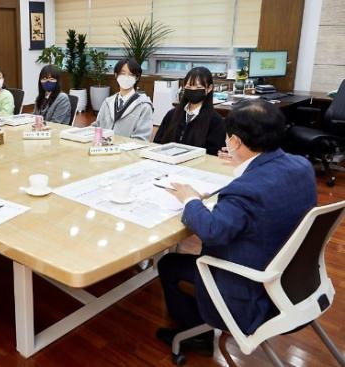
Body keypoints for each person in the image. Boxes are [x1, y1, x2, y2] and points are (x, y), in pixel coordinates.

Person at [156, 100, 317, 356]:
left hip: (251, 290)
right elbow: (264, 193)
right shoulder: (302, 166)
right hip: (296, 279)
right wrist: (243, 166)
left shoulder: (247, 189)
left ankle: (195, 335)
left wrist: (190, 199)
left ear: (235, 141)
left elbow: (211, 231)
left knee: (168, 264)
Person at [154, 67, 225, 155]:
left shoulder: (216, 121)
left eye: (198, 87)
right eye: (189, 86)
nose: (193, 90)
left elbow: (214, 154)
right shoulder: (172, 114)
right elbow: (157, 143)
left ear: (209, 88)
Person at [92, 58, 153, 141]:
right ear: (116, 75)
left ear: (137, 78)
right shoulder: (108, 102)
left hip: (126, 148)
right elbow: (97, 126)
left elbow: (141, 138)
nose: (126, 78)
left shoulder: (144, 106)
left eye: (131, 74)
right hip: (103, 146)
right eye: (123, 73)